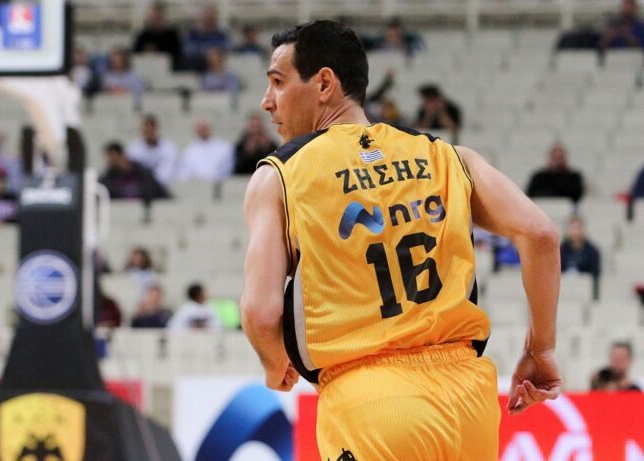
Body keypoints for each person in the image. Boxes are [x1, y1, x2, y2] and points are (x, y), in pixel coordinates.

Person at [241, 20, 561, 460]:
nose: (267, 101)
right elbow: (541, 234)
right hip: (468, 400)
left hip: (371, 401)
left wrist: (274, 361)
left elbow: (261, 312)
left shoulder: (279, 175)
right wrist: (540, 348)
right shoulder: (448, 156)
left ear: (324, 84)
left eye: (278, 82)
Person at [99, 142, 169, 200]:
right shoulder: (107, 179)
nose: (109, 160)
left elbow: (162, 194)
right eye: (108, 158)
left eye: (112, 157)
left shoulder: (144, 174)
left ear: (121, 155)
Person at [125, 114, 179, 186]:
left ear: (157, 129)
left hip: (162, 185)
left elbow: (168, 171)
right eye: (146, 128)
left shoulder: (169, 148)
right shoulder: (133, 148)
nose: (149, 131)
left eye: (151, 128)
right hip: (140, 185)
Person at [560, 214, 601, 299]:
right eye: (572, 228)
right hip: (563, 291)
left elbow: (595, 275)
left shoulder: (592, 251)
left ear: (583, 230)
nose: (575, 231)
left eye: (578, 228)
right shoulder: (560, 251)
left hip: (586, 291)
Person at [132, 1, 182, 68]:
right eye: (153, 17)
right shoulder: (143, 35)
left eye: (158, 17)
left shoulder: (172, 35)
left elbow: (177, 54)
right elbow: (135, 54)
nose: (155, 20)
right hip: (146, 67)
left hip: (169, 67)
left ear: (163, 17)